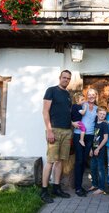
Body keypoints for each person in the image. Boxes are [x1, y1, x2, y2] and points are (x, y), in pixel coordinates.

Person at [41, 70, 72, 203]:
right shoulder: (51, 90)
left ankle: (56, 188)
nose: (66, 80)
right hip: (54, 130)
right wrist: (49, 130)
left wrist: (73, 124)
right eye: (64, 77)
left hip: (67, 131)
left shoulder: (68, 95)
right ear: (60, 78)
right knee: (51, 161)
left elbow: (66, 113)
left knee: (60, 161)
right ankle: (44, 191)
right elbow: (45, 111)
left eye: (68, 78)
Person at [73, 88, 98, 197]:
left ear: (96, 96)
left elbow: (98, 123)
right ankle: (78, 187)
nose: (91, 96)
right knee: (79, 160)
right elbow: (71, 114)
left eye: (93, 94)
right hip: (79, 134)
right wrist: (72, 123)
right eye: (89, 94)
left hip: (90, 136)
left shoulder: (97, 108)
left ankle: (79, 185)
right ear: (86, 96)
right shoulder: (82, 104)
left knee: (84, 161)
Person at [88, 106, 109, 195]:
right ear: (97, 113)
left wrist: (98, 148)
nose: (102, 115)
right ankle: (94, 184)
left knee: (101, 169)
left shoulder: (104, 124)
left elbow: (105, 138)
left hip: (100, 150)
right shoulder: (95, 123)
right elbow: (93, 137)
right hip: (93, 149)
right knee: (93, 168)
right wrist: (91, 149)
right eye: (100, 113)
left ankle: (101, 187)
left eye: (104, 114)